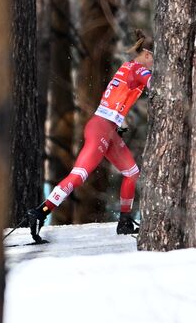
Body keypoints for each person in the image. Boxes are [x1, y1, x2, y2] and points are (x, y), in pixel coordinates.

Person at [25, 37, 154, 241]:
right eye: (153, 60)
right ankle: (41, 212)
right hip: (101, 129)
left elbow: (118, 97)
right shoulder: (138, 68)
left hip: (108, 129)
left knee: (132, 173)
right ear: (147, 54)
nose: (153, 65)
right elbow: (154, 84)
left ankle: (125, 221)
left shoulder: (126, 67)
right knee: (79, 175)